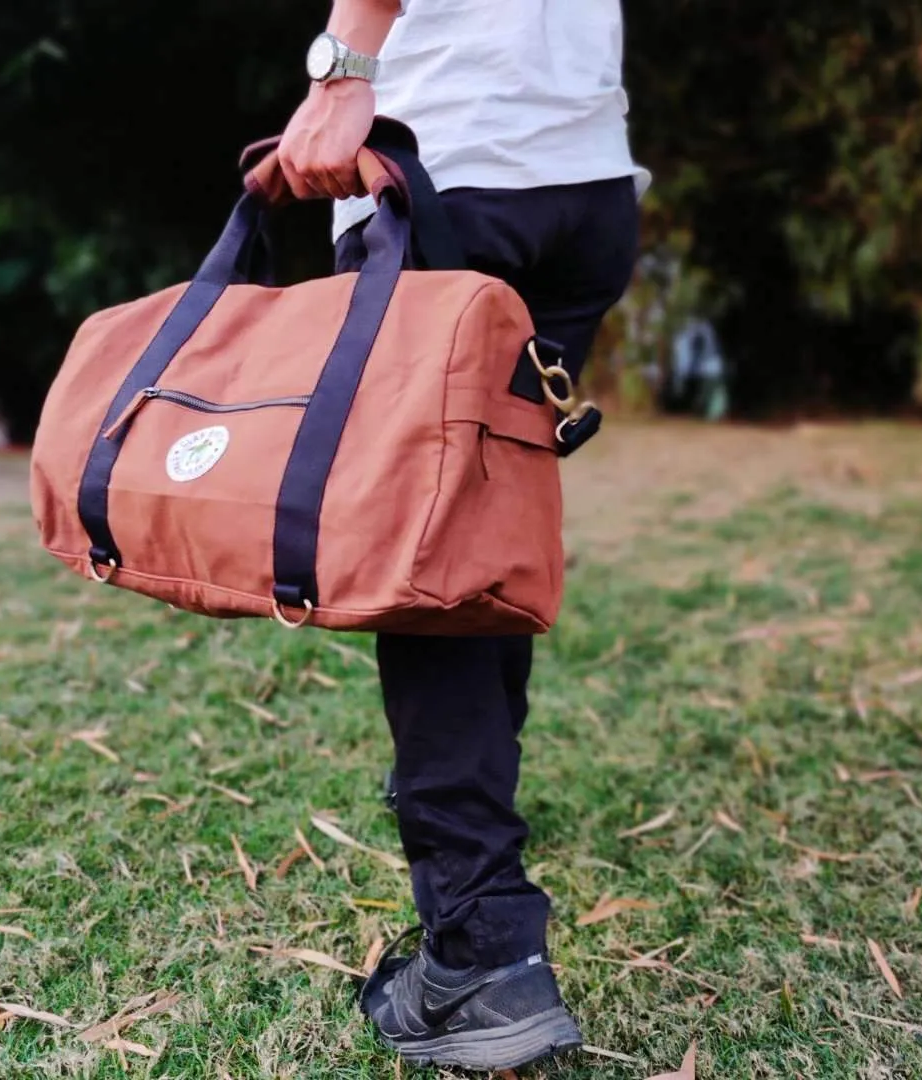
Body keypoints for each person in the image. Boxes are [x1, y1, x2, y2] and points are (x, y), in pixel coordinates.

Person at [279, 1, 648, 1071]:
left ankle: (481, 951)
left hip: (450, 165)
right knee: (479, 516)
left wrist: (344, 65)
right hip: (582, 177)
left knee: (426, 555)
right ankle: (475, 812)